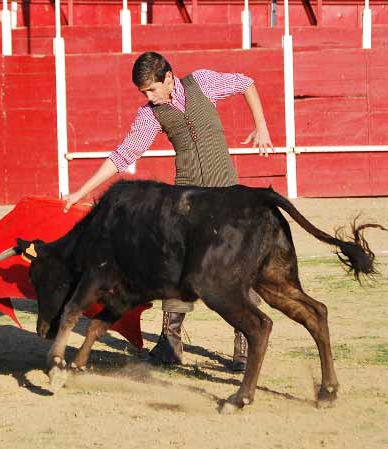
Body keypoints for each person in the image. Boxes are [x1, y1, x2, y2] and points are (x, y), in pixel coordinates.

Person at [62, 51, 274, 372]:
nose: (149, 97)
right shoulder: (151, 114)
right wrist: (83, 189)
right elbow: (124, 154)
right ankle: (170, 345)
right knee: (174, 266)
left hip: (226, 195)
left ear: (169, 78)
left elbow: (246, 83)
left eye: (152, 90)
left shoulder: (202, 82)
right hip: (186, 199)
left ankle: (243, 348)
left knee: (236, 266)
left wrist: (261, 126)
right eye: (143, 92)